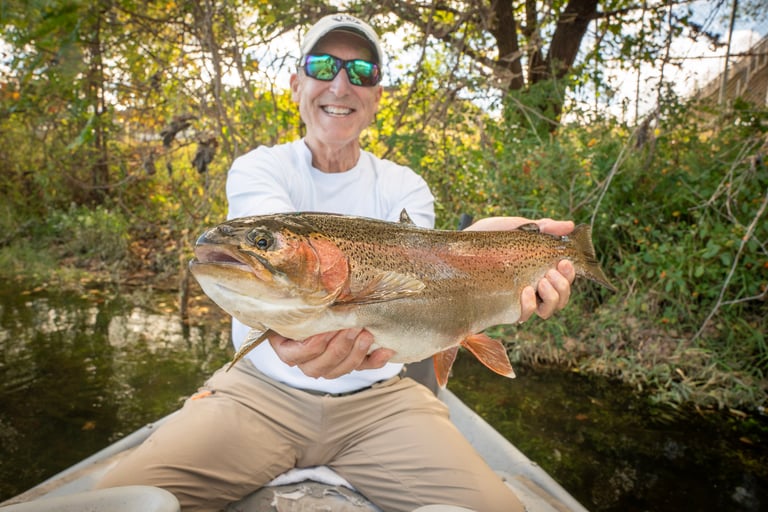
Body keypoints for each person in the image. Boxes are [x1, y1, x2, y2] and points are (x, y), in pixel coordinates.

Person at [97, 13, 576, 512]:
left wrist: (485, 253)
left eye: (361, 71)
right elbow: (268, 264)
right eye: (323, 66)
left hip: (382, 404)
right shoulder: (260, 169)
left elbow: (432, 273)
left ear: (377, 96)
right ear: (296, 84)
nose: (341, 84)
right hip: (258, 394)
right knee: (115, 503)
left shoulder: (405, 186)